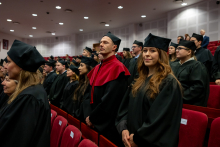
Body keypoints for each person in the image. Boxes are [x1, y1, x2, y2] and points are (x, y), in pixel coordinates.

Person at [116, 33, 182, 147]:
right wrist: (123, 129)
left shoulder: (168, 82)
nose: (147, 54)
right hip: (130, 138)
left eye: (152, 51)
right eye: (145, 50)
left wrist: (137, 139)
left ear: (161, 54)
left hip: (148, 142)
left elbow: (161, 120)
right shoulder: (138, 80)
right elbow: (125, 108)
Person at [0, 40, 50, 147]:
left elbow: (15, 138)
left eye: (8, 62)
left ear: (20, 66)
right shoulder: (31, 91)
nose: (5, 67)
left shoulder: (29, 97)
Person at [84, 32, 130, 146]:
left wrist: (93, 118)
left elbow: (110, 101)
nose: (101, 44)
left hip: (106, 124)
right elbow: (87, 95)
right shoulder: (97, 67)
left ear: (114, 47)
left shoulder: (118, 67)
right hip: (91, 120)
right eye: (100, 42)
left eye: (105, 42)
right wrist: (87, 116)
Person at [171, 40, 209, 106]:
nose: (176, 50)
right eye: (177, 48)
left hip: (188, 103)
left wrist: (178, 97)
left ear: (189, 52)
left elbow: (197, 88)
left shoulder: (197, 66)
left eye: (180, 48)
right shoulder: (174, 65)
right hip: (173, 101)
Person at [73, 56, 97, 121]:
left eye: (81, 65)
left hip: (84, 118)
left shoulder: (92, 84)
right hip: (77, 116)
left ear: (88, 67)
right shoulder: (82, 82)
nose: (79, 68)